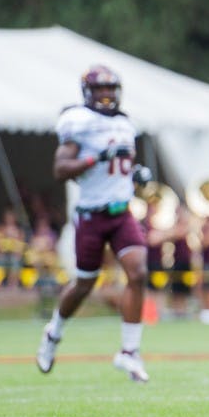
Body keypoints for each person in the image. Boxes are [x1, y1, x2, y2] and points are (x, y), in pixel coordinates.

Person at [36, 64, 154, 382]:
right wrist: (96, 158)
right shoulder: (78, 121)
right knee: (85, 284)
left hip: (121, 212)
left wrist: (137, 172)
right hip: (91, 215)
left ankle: (129, 352)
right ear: (88, 92)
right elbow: (61, 169)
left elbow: (122, 163)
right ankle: (54, 333)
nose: (106, 95)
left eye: (110, 89)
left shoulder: (125, 123)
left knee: (138, 272)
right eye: (99, 89)